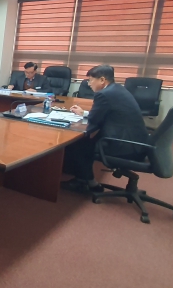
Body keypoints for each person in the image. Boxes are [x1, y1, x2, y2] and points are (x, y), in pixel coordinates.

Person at [62, 65, 149, 193]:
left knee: (79, 144)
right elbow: (105, 114)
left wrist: (86, 116)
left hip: (124, 144)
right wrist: (84, 113)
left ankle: (88, 183)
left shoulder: (104, 94)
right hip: (137, 141)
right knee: (84, 141)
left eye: (91, 80)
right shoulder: (118, 89)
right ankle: (83, 178)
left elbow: (95, 119)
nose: (89, 84)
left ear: (102, 80)